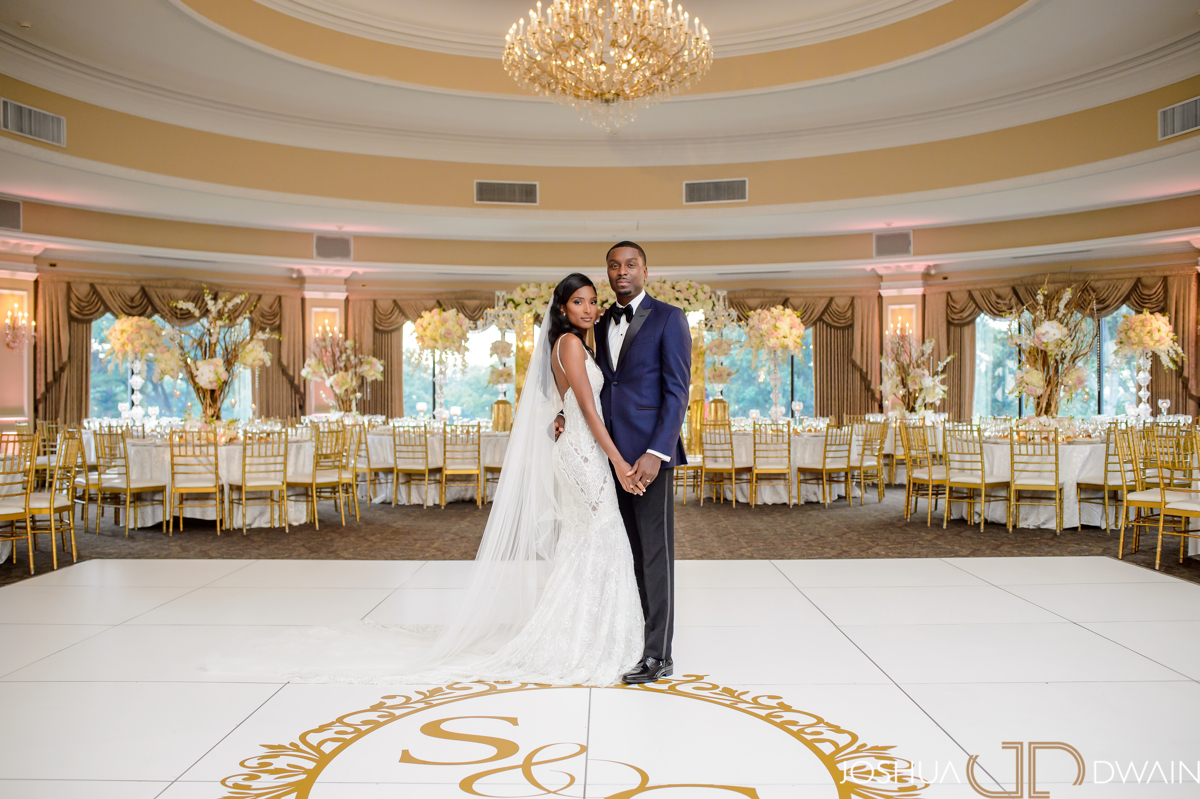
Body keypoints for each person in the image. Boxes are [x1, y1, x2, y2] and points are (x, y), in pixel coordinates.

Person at [212, 272, 646, 687]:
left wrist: (562, 418)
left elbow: (569, 403)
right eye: (578, 302)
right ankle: (583, 639)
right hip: (585, 454)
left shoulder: (568, 344)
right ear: (563, 308)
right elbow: (588, 411)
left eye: (592, 301)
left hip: (578, 449)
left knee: (589, 538)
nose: (588, 308)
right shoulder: (571, 344)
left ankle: (581, 633)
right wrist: (620, 463)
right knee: (601, 533)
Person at [590, 241, 692, 684]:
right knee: (626, 554)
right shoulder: (597, 324)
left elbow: (677, 391)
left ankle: (659, 654)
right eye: (614, 266)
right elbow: (595, 383)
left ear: (646, 272)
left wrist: (656, 453)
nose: (622, 272)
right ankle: (636, 638)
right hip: (607, 456)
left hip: (650, 458)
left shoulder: (670, 318)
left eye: (630, 265)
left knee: (655, 556)